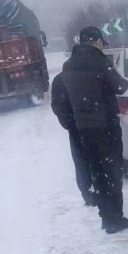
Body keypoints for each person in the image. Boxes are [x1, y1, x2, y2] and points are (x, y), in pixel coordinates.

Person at [59, 26, 128, 233]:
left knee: (97, 173)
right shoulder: (101, 62)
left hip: (84, 130)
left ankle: (105, 217)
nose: (102, 46)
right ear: (96, 42)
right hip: (105, 126)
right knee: (112, 172)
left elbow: (63, 98)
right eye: (102, 43)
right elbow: (120, 87)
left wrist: (72, 122)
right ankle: (116, 219)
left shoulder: (68, 66)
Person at [50, 69, 96, 207]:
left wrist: (69, 124)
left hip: (76, 128)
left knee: (81, 161)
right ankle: (97, 192)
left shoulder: (60, 79)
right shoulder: (88, 74)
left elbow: (56, 105)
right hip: (93, 125)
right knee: (95, 159)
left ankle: (88, 194)